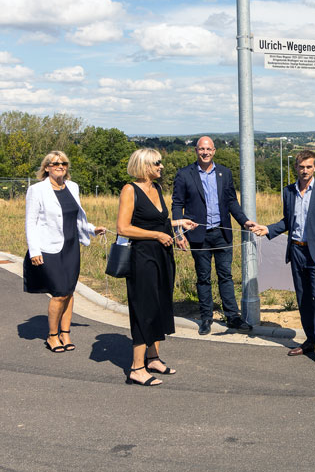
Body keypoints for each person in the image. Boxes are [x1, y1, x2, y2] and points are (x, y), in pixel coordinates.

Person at [251, 150, 315, 372]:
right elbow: (288, 222)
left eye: (309, 166)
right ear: (296, 168)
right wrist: (268, 229)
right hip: (297, 252)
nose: (305, 170)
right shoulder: (288, 192)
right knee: (303, 300)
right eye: (301, 167)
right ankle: (311, 341)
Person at [117, 148, 196, 386]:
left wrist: (178, 224)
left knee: (160, 305)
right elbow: (123, 227)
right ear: (144, 165)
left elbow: (159, 221)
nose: (161, 167)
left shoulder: (157, 188)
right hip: (142, 258)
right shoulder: (130, 190)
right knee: (145, 308)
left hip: (162, 256)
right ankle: (136, 368)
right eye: (157, 163)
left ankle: (153, 358)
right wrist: (156, 236)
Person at [24, 151, 106, 353]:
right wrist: (34, 250)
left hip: (71, 247)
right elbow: (30, 223)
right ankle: (52, 336)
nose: (60, 166)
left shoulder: (73, 187)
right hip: (48, 248)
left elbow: (77, 218)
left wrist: (92, 229)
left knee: (69, 291)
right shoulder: (37, 190)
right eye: (55, 163)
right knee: (60, 292)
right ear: (47, 167)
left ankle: (65, 333)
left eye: (64, 163)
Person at [172, 136, 255, 335]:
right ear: (196, 151)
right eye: (202, 149)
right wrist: (179, 232)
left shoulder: (224, 173)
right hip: (197, 235)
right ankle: (206, 318)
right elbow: (177, 205)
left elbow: (232, 202)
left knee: (225, 276)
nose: (205, 152)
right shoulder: (184, 175)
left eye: (208, 149)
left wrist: (244, 221)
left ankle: (232, 317)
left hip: (222, 233)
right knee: (203, 278)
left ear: (214, 151)